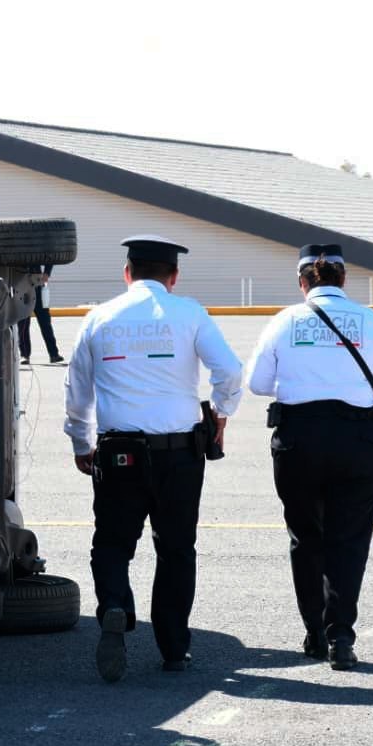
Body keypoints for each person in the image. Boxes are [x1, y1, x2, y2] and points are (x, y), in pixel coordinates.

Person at [64, 235, 243, 682]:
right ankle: (174, 649)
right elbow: (231, 371)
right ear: (173, 276)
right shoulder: (189, 313)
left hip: (118, 452)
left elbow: (77, 390)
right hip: (179, 454)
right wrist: (221, 411)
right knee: (176, 549)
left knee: (112, 543)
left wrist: (81, 443)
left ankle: (116, 607)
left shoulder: (99, 317)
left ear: (127, 274)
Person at [244, 244, 373, 671]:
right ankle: (341, 636)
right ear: (343, 279)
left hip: (299, 439)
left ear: (302, 282)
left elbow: (258, 384)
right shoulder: (372, 322)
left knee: (306, 538)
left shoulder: (285, 321)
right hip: (358, 440)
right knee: (349, 541)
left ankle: (315, 633)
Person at [17, 264, 65, 365]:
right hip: (23, 285)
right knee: (23, 323)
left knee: (45, 323)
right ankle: (24, 355)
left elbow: (50, 255)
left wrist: (47, 273)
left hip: (38, 284)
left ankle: (54, 354)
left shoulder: (36, 248)